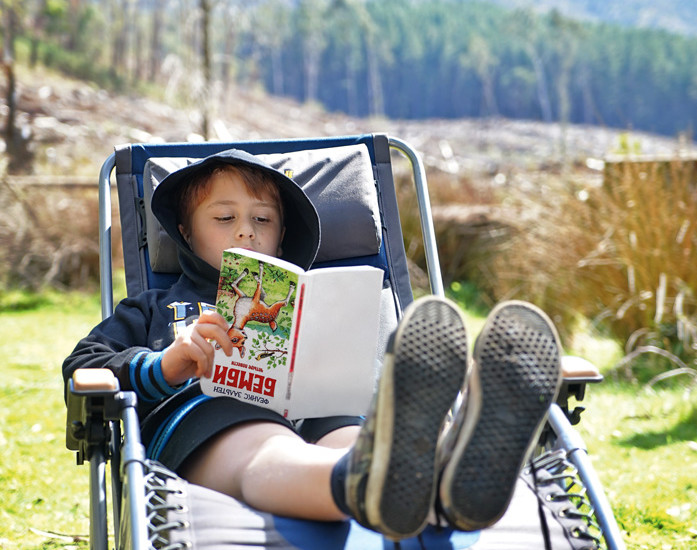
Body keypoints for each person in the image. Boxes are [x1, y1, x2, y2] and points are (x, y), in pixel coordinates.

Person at [61, 150, 564, 541]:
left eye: (263, 220)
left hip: (321, 408)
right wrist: (165, 364)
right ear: (187, 234)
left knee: (351, 427)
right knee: (264, 446)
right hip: (215, 414)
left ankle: (434, 480)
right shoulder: (157, 306)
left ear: (280, 239)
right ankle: (379, 481)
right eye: (224, 218)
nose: (245, 229)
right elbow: (84, 365)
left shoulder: (320, 299)